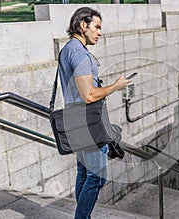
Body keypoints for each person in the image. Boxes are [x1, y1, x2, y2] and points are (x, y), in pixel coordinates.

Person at [57, 7, 130, 219]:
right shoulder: (78, 52)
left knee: (83, 173)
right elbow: (88, 95)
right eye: (96, 27)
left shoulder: (68, 49)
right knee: (97, 177)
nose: (99, 32)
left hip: (75, 119)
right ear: (82, 25)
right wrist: (116, 86)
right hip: (87, 123)